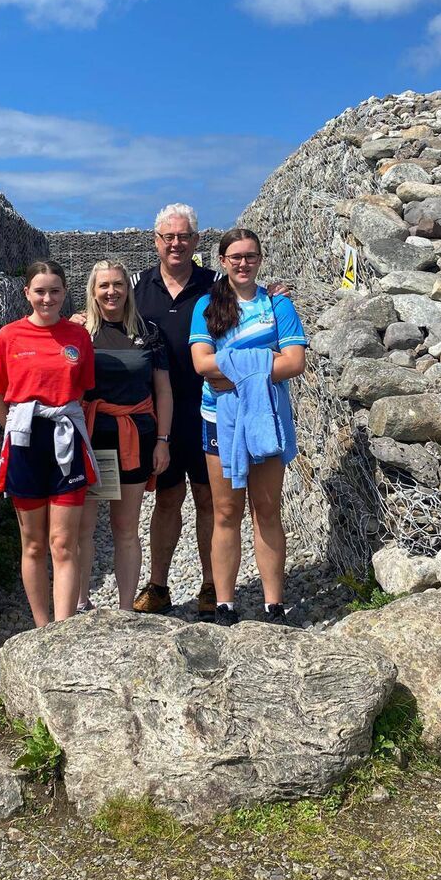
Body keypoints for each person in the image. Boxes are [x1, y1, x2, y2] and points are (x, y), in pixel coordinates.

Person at [189, 228, 307, 626]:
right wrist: (262, 361)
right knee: (225, 510)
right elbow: (201, 364)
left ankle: (274, 604)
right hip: (218, 420)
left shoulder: (278, 307)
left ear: (260, 259)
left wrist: (235, 369)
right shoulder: (207, 307)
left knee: (268, 508)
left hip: (266, 417)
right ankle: (226, 603)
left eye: (250, 256)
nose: (243, 263)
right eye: (235, 257)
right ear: (222, 261)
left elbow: (295, 362)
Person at [0, 260, 98, 627]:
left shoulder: (78, 337)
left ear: (65, 293)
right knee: (32, 544)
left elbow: (84, 392)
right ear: (27, 294)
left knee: (64, 544)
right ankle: (41, 628)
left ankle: (62, 630)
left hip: (65, 439)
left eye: (55, 291)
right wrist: (17, 432)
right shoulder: (9, 336)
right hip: (25, 443)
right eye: (40, 291)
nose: (47, 298)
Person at [128, 204, 219, 619]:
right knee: (166, 498)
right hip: (157, 414)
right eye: (168, 237)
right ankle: (159, 585)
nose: (176, 243)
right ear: (156, 241)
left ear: (196, 242)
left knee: (207, 498)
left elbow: (252, 306)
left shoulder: (216, 285)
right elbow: (104, 316)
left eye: (184, 236)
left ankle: (212, 586)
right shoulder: (136, 287)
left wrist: (273, 296)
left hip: (207, 409)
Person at [77, 261, 173, 611]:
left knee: (125, 527)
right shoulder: (80, 332)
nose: (111, 292)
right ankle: (80, 603)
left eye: (118, 284)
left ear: (128, 288)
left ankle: (125, 609)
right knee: (84, 527)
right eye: (103, 285)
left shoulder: (148, 331)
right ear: (93, 290)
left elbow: (163, 390)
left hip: (136, 439)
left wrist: (163, 440)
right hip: (92, 438)